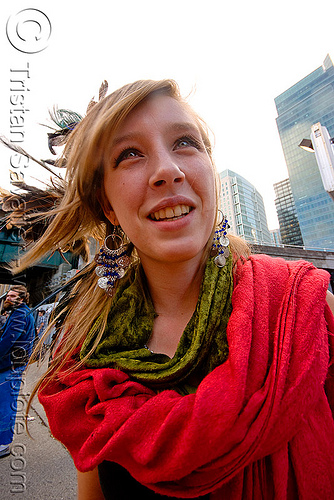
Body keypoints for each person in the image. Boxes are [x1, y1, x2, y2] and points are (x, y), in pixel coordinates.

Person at [16, 79, 334, 498]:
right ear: (107, 204)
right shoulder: (85, 352)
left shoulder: (304, 309)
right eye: (130, 154)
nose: (168, 170)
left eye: (185, 142)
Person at [0, 285, 35, 458]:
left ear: (21, 299)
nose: (8, 298)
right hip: (13, 364)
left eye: (12, 296)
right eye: (8, 295)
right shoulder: (21, 313)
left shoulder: (20, 314)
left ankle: (3, 444)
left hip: (10, 365)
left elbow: (7, 342)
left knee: (6, 404)